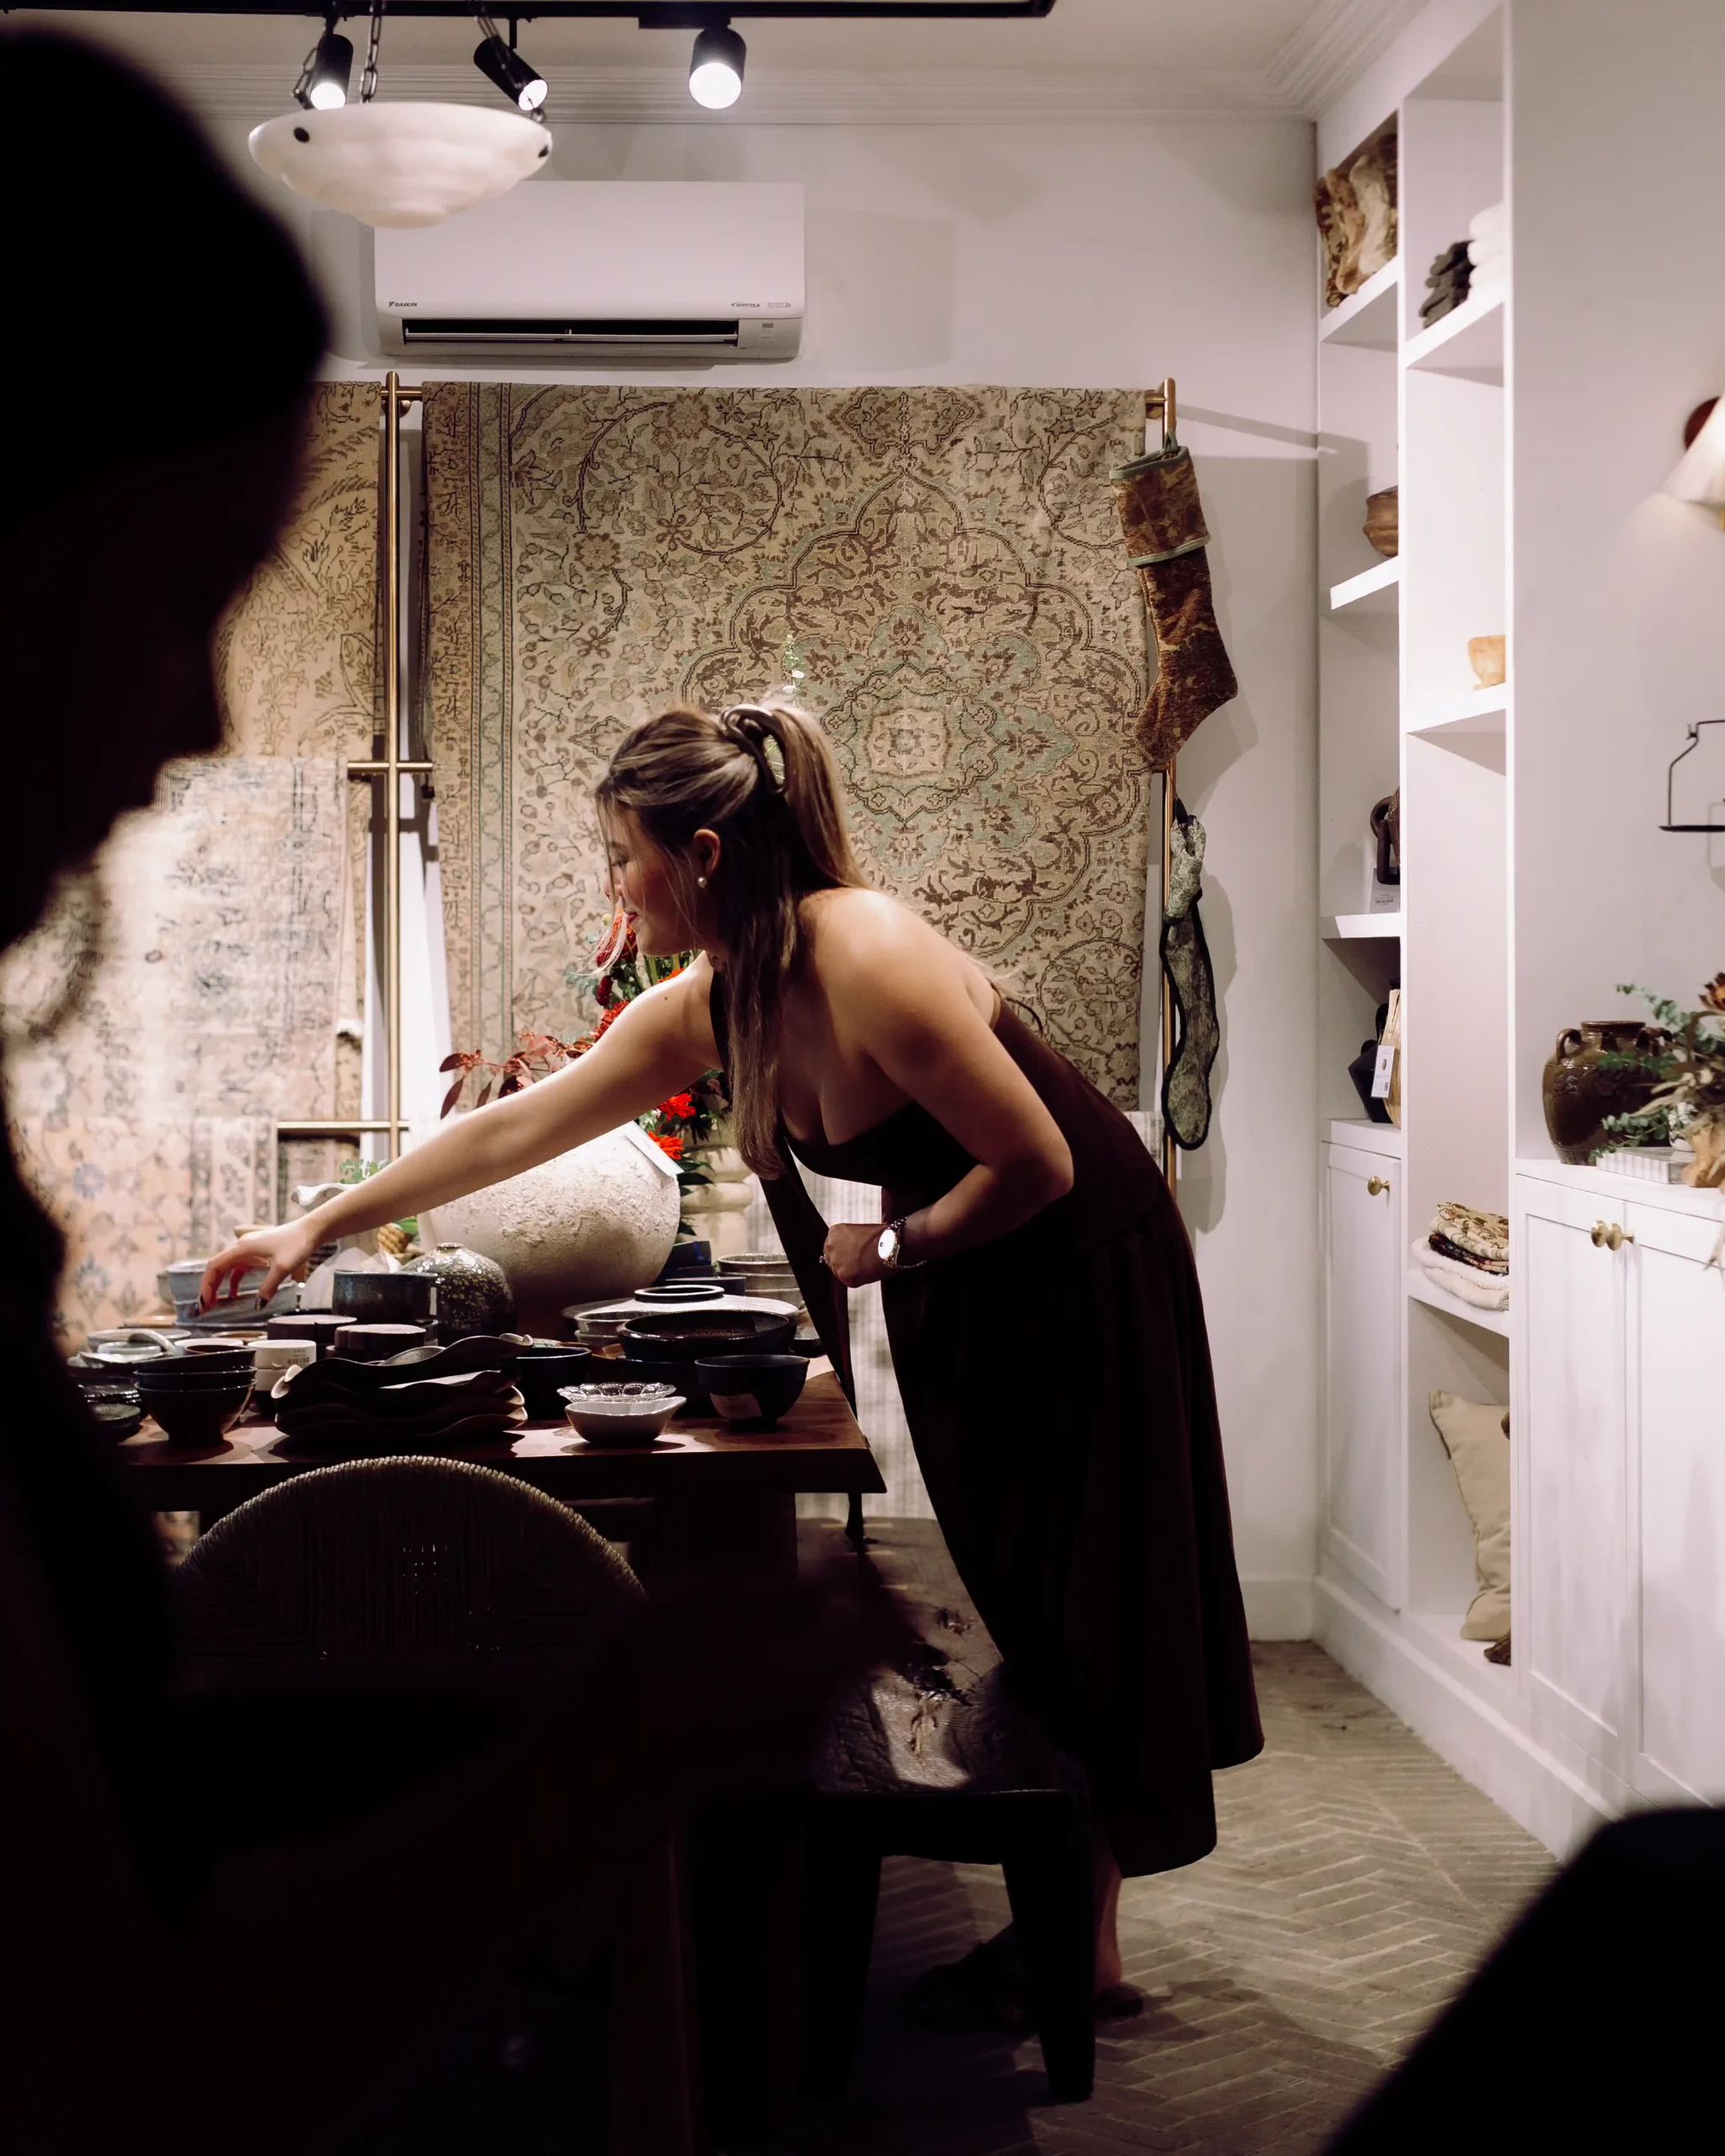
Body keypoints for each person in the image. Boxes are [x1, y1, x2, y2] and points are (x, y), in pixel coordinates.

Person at [0, 33, 902, 2153]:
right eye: (177, 593)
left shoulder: (819, 952)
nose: (199, 712)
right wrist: (595, 1757)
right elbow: (108, 2021)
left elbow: (115, 1808)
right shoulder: (696, 992)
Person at [206, 699, 1266, 2020]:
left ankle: (1082, 1944)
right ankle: (1068, 1925)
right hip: (969, 1285)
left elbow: (1039, 1162)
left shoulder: (868, 954)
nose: (612, 888)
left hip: (1081, 1275)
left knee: (1093, 1592)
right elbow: (514, 1131)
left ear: (702, 855)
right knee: (1024, 1584)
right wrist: (316, 1225)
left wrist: (901, 1245)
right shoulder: (719, 998)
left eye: (622, 856)